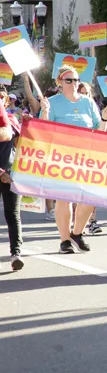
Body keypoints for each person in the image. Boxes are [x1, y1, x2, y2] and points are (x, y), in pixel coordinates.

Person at [36, 65, 107, 254]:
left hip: (86, 157)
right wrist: (44, 112)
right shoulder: (52, 102)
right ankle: (65, 241)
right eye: (69, 80)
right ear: (60, 82)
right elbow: (43, 131)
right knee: (64, 199)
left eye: (76, 80)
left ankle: (77, 234)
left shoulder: (88, 102)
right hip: (61, 157)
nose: (73, 83)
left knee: (89, 197)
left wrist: (105, 118)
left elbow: (99, 131)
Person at [0, 86, 23, 272]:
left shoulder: (13, 120)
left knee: (12, 213)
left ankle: (16, 253)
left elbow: (24, 146)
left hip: (10, 174)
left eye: (1, 97)